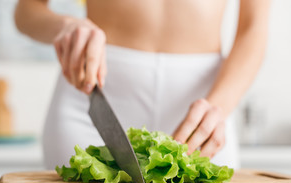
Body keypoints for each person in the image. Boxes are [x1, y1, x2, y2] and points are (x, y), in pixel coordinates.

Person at [15, 0, 270, 170]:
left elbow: (253, 27)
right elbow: (26, 11)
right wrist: (65, 26)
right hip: (92, 94)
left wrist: (220, 106)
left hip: (205, 111)